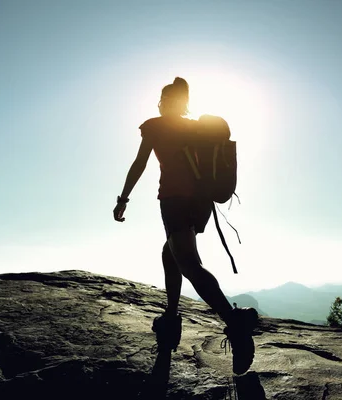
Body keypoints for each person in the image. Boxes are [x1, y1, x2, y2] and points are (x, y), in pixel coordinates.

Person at [113, 77, 258, 375]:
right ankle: (170, 317)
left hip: (175, 200)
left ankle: (235, 324)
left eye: (164, 100)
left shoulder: (154, 125)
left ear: (166, 102)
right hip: (200, 204)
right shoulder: (195, 127)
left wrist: (123, 198)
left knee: (189, 263)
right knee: (171, 253)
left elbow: (140, 162)